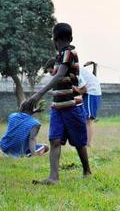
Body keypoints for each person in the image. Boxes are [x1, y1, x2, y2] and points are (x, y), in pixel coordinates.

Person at [26, 22, 91, 185]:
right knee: (54, 140)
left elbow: (60, 75)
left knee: (79, 142)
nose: (59, 44)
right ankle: (53, 177)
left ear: (55, 40)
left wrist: (39, 94)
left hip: (72, 105)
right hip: (58, 107)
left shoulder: (69, 53)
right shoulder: (58, 57)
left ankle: (87, 170)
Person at [44, 59, 102, 146]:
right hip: (85, 91)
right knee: (82, 118)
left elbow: (83, 89)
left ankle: (87, 144)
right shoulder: (66, 72)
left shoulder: (72, 71)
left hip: (92, 91)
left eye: (51, 71)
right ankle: (83, 142)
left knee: (88, 119)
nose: (51, 74)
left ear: (56, 67)